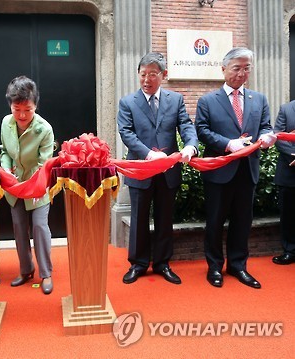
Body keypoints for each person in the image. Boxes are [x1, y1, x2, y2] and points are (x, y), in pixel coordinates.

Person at [195, 47, 276, 289]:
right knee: (215, 221)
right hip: (219, 172)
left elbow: (265, 126)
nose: (242, 73)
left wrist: (266, 138)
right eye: (237, 67)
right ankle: (214, 267)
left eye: (247, 67)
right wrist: (228, 144)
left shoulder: (259, 99)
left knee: (243, 221)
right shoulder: (208, 100)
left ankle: (238, 265)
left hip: (247, 170)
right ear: (224, 69)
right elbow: (202, 131)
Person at [117, 52, 199, 285]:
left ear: (163, 75)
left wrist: (191, 146)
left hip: (168, 171)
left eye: (152, 74)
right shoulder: (128, 102)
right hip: (141, 170)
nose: (146, 79)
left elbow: (185, 125)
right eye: (143, 74)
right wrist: (149, 154)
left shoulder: (175, 100)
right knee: (138, 217)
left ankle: (163, 263)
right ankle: (138, 263)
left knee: (165, 218)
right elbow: (127, 133)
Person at [0, 75, 55, 295]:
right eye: (17, 109)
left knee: (40, 227)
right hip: (14, 186)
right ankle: (26, 269)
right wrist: (5, 168)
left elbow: (44, 164)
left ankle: (46, 273)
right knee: (19, 227)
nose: (22, 115)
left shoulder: (44, 129)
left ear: (36, 106)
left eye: (28, 109)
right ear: (10, 106)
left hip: (37, 186)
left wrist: (34, 186)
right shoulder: (6, 122)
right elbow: (4, 151)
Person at [272, 101, 295, 265]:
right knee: (288, 214)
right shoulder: (286, 109)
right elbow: (277, 136)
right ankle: (290, 250)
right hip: (289, 171)